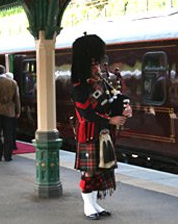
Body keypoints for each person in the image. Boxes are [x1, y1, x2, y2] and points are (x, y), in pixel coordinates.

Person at [71, 34, 132, 220]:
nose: (98, 67)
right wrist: (110, 121)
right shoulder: (79, 87)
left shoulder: (100, 82)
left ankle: (94, 204)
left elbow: (115, 98)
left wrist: (125, 107)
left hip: (102, 134)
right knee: (89, 171)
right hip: (89, 133)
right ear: (86, 65)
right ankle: (88, 206)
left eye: (98, 63)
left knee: (100, 170)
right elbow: (87, 113)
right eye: (94, 64)